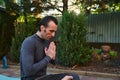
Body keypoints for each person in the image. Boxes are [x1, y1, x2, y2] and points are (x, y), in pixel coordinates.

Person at [20, 16, 80, 80]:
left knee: (74, 77)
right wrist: (48, 57)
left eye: (54, 31)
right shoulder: (29, 42)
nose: (53, 35)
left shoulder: (47, 41)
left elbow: (54, 62)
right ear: (42, 28)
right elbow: (28, 71)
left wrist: (53, 57)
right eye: (51, 31)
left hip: (43, 78)